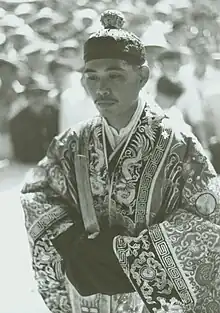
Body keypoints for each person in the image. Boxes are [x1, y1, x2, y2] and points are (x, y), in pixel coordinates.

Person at [21, 10, 220, 313]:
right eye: (92, 76)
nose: (101, 88)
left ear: (142, 76)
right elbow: (38, 192)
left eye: (115, 75)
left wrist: (130, 257)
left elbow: (206, 219)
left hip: (146, 299)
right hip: (87, 296)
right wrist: (72, 244)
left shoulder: (178, 144)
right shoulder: (71, 142)